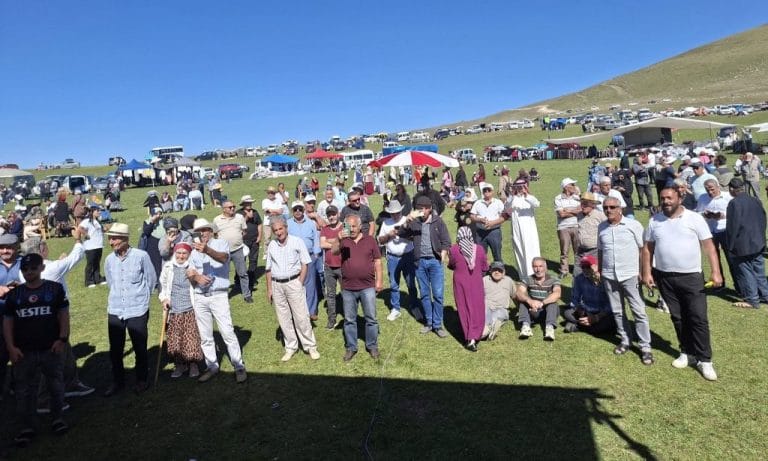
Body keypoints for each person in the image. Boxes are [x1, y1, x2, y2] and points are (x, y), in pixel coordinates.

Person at [642, 187, 723, 381]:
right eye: (663, 198)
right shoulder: (655, 221)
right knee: (677, 317)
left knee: (698, 318)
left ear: (680, 198)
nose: (666, 201)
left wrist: (716, 272)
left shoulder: (694, 218)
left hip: (691, 277)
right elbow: (647, 250)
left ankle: (705, 359)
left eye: (669, 197)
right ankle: (687, 352)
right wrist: (646, 273)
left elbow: (710, 247)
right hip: (664, 277)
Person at [3, 253, 71, 444]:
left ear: (41, 268)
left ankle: (57, 418)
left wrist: (62, 338)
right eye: (25, 269)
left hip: (51, 348)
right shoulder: (14, 295)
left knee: (55, 385)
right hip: (24, 351)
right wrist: (10, 347)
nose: (29, 272)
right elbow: (8, 323)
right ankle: (27, 426)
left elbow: (63, 315)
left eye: (33, 268)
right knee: (25, 390)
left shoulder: (54, 289)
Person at [187, 219, 247, 383]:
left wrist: (207, 250)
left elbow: (223, 258)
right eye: (199, 231)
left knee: (227, 331)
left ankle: (238, 365)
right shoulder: (194, 251)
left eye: (205, 230)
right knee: (205, 336)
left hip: (218, 295)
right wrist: (196, 276)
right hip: (200, 297)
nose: (202, 234)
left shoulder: (221, 244)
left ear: (212, 230)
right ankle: (212, 366)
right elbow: (189, 271)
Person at [103, 223, 157, 396]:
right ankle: (117, 381)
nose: (112, 242)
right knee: (115, 349)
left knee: (140, 347)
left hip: (137, 309)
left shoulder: (141, 256)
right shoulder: (109, 260)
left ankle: (142, 379)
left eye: (115, 238)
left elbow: (151, 280)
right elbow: (110, 282)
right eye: (110, 238)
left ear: (126, 239)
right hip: (116, 309)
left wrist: (142, 299)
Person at [598, 197, 653, 365]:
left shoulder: (633, 225)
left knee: (639, 312)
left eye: (612, 207)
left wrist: (644, 273)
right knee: (617, 311)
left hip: (630, 274)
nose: (609, 210)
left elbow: (643, 250)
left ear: (620, 208)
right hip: (609, 275)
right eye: (606, 207)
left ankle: (645, 347)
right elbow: (600, 251)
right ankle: (625, 340)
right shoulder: (601, 227)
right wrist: (600, 271)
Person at [265, 216, 320, 362]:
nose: (278, 232)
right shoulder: (271, 245)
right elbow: (268, 268)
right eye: (275, 230)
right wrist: (269, 289)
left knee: (301, 316)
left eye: (280, 229)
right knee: (283, 318)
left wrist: (299, 282)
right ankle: (291, 346)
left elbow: (305, 263)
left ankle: (310, 346)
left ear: (286, 228)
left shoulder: (297, 242)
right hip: (277, 285)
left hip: (293, 282)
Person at [332, 215, 382, 361]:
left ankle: (372, 345)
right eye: (348, 226)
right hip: (348, 287)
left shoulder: (370, 240)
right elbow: (334, 251)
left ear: (360, 226)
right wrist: (338, 239)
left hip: (367, 286)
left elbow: (378, 261)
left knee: (371, 318)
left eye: (354, 226)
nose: (352, 229)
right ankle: (351, 347)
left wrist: (379, 281)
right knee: (349, 320)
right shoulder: (344, 241)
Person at [401, 196, 451, 337]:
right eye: (418, 208)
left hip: (435, 262)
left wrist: (443, 252)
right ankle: (429, 322)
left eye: (423, 208)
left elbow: (446, 240)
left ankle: (437, 324)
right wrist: (406, 221)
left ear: (429, 209)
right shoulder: (415, 222)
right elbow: (401, 233)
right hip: (420, 262)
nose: (420, 211)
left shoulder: (438, 221)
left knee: (438, 294)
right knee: (424, 294)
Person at [158, 242, 203, 378]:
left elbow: (199, 285)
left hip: (190, 307)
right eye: (178, 253)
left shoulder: (193, 267)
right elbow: (163, 286)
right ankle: (180, 365)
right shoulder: (168, 267)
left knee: (191, 337)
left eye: (184, 253)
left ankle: (193, 365)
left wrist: (195, 276)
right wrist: (164, 299)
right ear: (174, 253)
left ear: (189, 255)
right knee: (174, 339)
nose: (181, 256)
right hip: (173, 309)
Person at [725, 178, 768, 309]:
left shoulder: (734, 203)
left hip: (742, 244)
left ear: (732, 189)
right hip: (758, 242)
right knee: (759, 271)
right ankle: (765, 295)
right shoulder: (755, 200)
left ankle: (752, 299)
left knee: (746, 272)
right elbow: (764, 218)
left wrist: (730, 246)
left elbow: (733, 227)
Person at [448, 226, 489, 351]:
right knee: (477, 307)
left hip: (460, 283)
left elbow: (451, 264)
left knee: (464, 306)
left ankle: (468, 336)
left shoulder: (454, 249)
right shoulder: (480, 249)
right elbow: (485, 267)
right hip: (476, 282)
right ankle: (475, 335)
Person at [377, 200, 418, 322]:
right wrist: (389, 235)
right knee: (394, 283)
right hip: (392, 257)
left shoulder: (407, 220)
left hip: (408, 255)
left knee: (411, 283)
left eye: (397, 212)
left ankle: (414, 305)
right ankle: (395, 308)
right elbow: (380, 241)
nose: (395, 215)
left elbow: (415, 237)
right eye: (392, 213)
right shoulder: (386, 223)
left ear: (401, 211)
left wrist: (401, 234)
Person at [287, 200, 322, 320]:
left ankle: (311, 311)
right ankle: (298, 311)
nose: (298, 211)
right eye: (295, 209)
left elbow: (316, 239)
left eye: (300, 209)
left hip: (309, 256)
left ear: (303, 210)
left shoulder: (310, 223)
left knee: (310, 284)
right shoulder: (288, 223)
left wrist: (316, 254)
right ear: (292, 211)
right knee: (296, 284)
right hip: (293, 258)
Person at [563, 256, 615, 335]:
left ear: (595, 267)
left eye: (588, 267)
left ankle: (579, 326)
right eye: (583, 267)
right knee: (567, 313)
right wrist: (579, 309)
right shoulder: (579, 279)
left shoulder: (605, 280)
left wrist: (597, 317)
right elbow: (575, 299)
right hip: (587, 311)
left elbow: (610, 305)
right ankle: (586, 325)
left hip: (602, 313)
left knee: (610, 320)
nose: (585, 269)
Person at [213, 200, 252, 303]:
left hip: (238, 250)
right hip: (224, 252)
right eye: (230, 207)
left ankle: (247, 294)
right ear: (223, 209)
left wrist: (236, 239)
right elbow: (215, 235)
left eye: (233, 206)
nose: (232, 209)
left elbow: (244, 231)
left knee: (243, 273)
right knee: (223, 274)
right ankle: (223, 296)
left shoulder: (239, 217)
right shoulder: (217, 220)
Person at [696, 179, 732, 288]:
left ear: (718, 187)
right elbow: (698, 212)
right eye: (708, 190)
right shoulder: (703, 198)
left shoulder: (728, 197)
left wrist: (722, 215)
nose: (710, 192)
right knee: (714, 258)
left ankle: (740, 285)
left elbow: (735, 212)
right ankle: (720, 283)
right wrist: (704, 214)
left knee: (731, 258)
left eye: (712, 189)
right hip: (710, 231)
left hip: (725, 230)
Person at [516, 257, 561, 341]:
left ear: (545, 267)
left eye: (540, 266)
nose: (538, 269)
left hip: (548, 311)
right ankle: (526, 327)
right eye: (535, 266)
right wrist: (530, 301)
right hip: (533, 311)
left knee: (552, 303)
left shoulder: (553, 279)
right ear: (532, 268)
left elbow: (557, 294)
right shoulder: (527, 279)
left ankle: (549, 328)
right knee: (523, 301)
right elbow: (519, 293)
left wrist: (542, 303)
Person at [505, 179, 541, 277]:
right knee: (519, 249)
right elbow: (506, 208)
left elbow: (537, 204)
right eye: (518, 186)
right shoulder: (512, 198)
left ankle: (535, 273)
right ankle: (523, 275)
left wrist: (527, 194)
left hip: (530, 229)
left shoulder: (530, 197)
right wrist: (512, 195)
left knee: (532, 250)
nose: (520, 189)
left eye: (522, 186)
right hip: (517, 229)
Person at [0, 233, 22, 390]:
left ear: (17, 247)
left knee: (21, 351)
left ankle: (17, 385)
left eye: (9, 247)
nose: (5, 250)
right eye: (1, 248)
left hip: (21, 316)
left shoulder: (25, 263)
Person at [319, 206, 344, 330]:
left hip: (343, 265)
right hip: (329, 266)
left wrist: (330, 241)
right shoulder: (325, 228)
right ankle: (331, 319)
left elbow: (345, 244)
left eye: (333, 214)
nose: (331, 217)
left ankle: (349, 317)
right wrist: (337, 242)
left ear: (338, 213)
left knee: (347, 293)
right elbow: (322, 244)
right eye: (329, 215)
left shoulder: (345, 227)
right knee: (330, 294)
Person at [470, 182, 506, 262]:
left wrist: (492, 223)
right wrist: (480, 220)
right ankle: (483, 273)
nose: (486, 192)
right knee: (481, 256)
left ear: (492, 191)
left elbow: (504, 217)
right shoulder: (477, 203)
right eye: (484, 190)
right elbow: (472, 216)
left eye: (488, 190)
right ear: (482, 192)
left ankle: (499, 271)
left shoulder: (498, 202)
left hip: (494, 231)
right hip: (480, 232)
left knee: (497, 254)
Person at [481, 261, 516, 341]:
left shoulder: (509, 281)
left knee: (500, 316)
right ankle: (488, 330)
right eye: (494, 270)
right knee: (485, 325)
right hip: (487, 307)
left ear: (504, 272)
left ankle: (492, 328)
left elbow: (514, 296)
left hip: (501, 308)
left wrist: (520, 311)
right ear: (490, 271)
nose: (497, 272)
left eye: (499, 270)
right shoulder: (484, 280)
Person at [554, 178, 581, 277]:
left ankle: (578, 270)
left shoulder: (578, 197)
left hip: (576, 226)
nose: (575, 187)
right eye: (572, 185)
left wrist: (567, 210)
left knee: (578, 250)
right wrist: (575, 211)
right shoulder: (558, 198)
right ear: (566, 187)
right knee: (564, 250)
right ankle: (564, 270)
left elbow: (581, 211)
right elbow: (561, 214)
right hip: (563, 227)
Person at [575, 192, 606, 278]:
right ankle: (577, 291)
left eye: (585, 204)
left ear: (593, 205)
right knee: (577, 274)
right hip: (580, 251)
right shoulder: (579, 215)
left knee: (594, 275)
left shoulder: (600, 216)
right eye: (582, 204)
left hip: (594, 251)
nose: (582, 206)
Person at [238, 195, 263, 293]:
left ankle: (252, 279)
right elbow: (238, 225)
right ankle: (239, 280)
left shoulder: (255, 212)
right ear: (243, 204)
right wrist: (247, 217)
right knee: (241, 261)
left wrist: (260, 236)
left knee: (253, 260)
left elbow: (259, 224)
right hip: (242, 241)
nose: (249, 204)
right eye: (247, 203)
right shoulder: (238, 214)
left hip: (254, 240)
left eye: (250, 202)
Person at [78, 203, 105, 288]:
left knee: (97, 263)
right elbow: (80, 228)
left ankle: (97, 279)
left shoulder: (97, 221)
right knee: (90, 264)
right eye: (97, 211)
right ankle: (89, 281)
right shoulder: (86, 221)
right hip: (90, 246)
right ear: (92, 212)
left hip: (98, 245)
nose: (99, 212)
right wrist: (86, 234)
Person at [262, 185, 287, 258]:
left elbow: (281, 211)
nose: (270, 194)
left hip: (277, 222)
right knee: (267, 237)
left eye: (272, 193)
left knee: (279, 235)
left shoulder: (278, 200)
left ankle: (279, 249)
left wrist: (272, 211)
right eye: (269, 193)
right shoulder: (265, 201)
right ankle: (266, 252)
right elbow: (266, 211)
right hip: (267, 222)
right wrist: (276, 211)